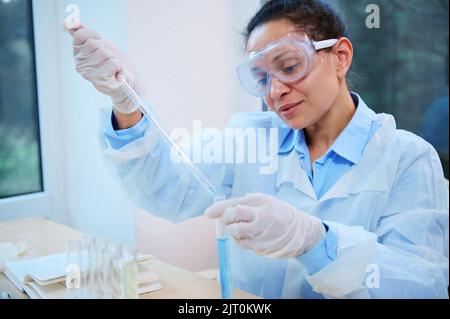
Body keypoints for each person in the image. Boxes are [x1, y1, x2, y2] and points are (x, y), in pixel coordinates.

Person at [70, 0, 449, 298]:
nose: (275, 91)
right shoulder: (248, 139)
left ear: (341, 57)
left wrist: (317, 240)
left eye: (288, 66)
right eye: (261, 78)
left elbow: (422, 286)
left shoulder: (407, 158)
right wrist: (125, 100)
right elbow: (161, 188)